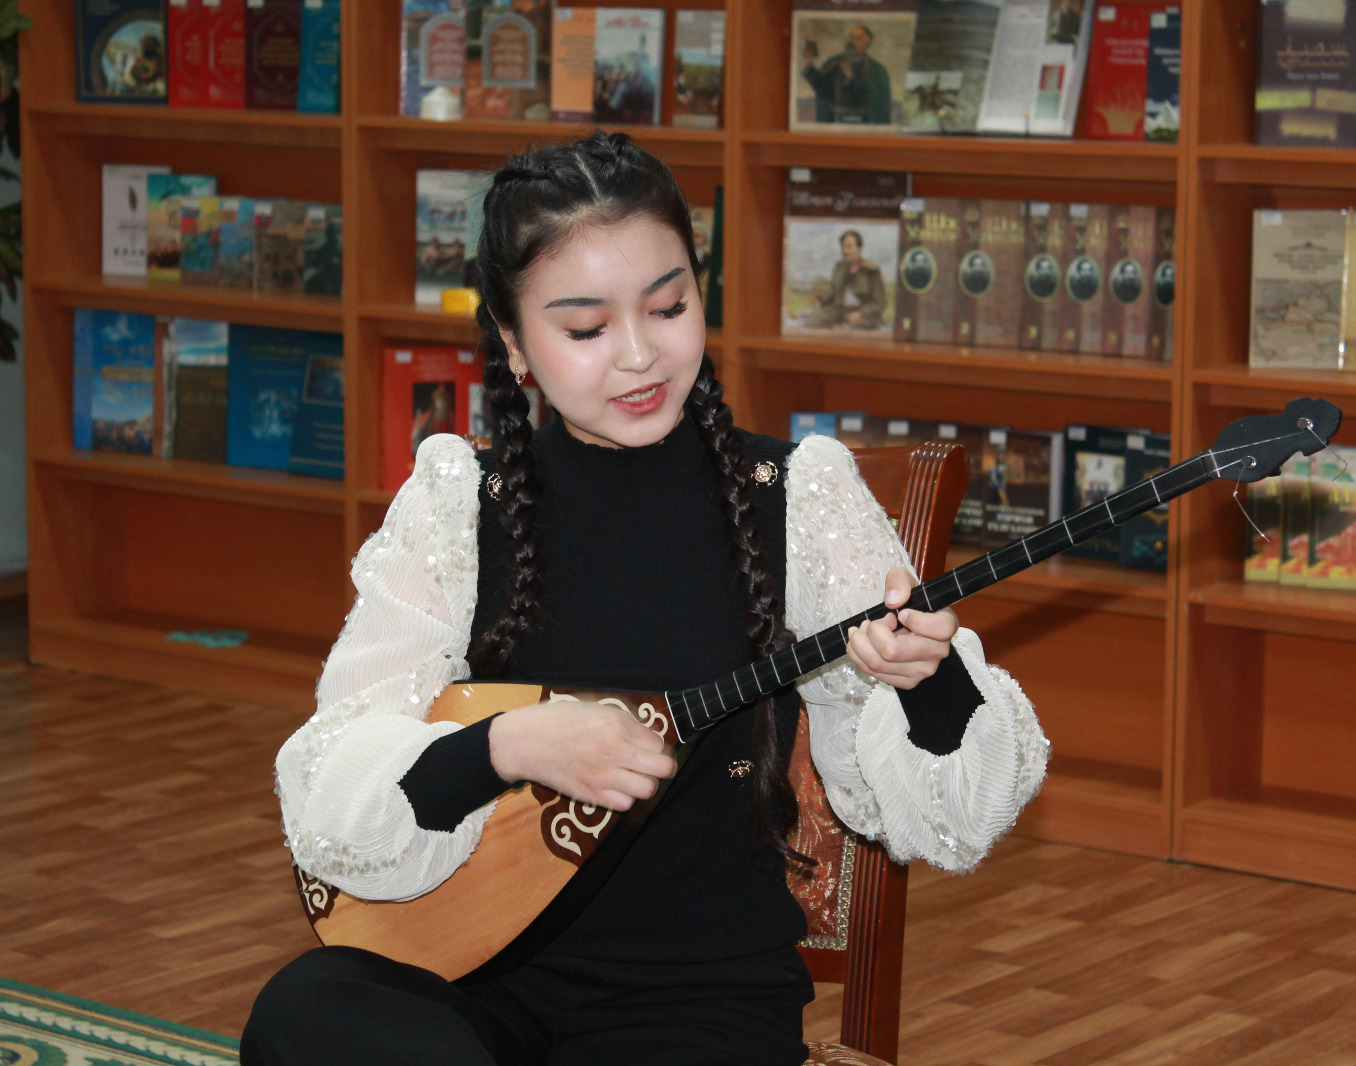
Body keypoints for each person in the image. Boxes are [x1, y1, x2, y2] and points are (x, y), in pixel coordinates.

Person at [241, 132, 1047, 1066]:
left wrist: (928, 676)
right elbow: (334, 783)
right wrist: (506, 746)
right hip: (474, 971)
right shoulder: (458, 505)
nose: (638, 355)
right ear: (513, 342)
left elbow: (955, 815)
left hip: (697, 1007)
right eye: (586, 329)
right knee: (308, 1010)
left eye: (668, 307)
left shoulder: (797, 497)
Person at [801, 23, 892, 126]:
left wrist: (850, 77)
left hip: (862, 126)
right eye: (851, 37)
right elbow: (821, 87)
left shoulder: (877, 71)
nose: (852, 41)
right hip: (834, 124)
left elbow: (877, 102)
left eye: (858, 38)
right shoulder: (834, 62)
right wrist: (809, 65)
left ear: (867, 44)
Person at [808, 230, 887, 330]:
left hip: (863, 313)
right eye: (843, 247)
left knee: (848, 332)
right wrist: (821, 296)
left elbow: (880, 303)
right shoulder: (839, 267)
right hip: (839, 310)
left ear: (859, 249)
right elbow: (833, 295)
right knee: (813, 322)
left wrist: (861, 314)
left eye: (849, 247)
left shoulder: (871, 271)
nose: (844, 251)